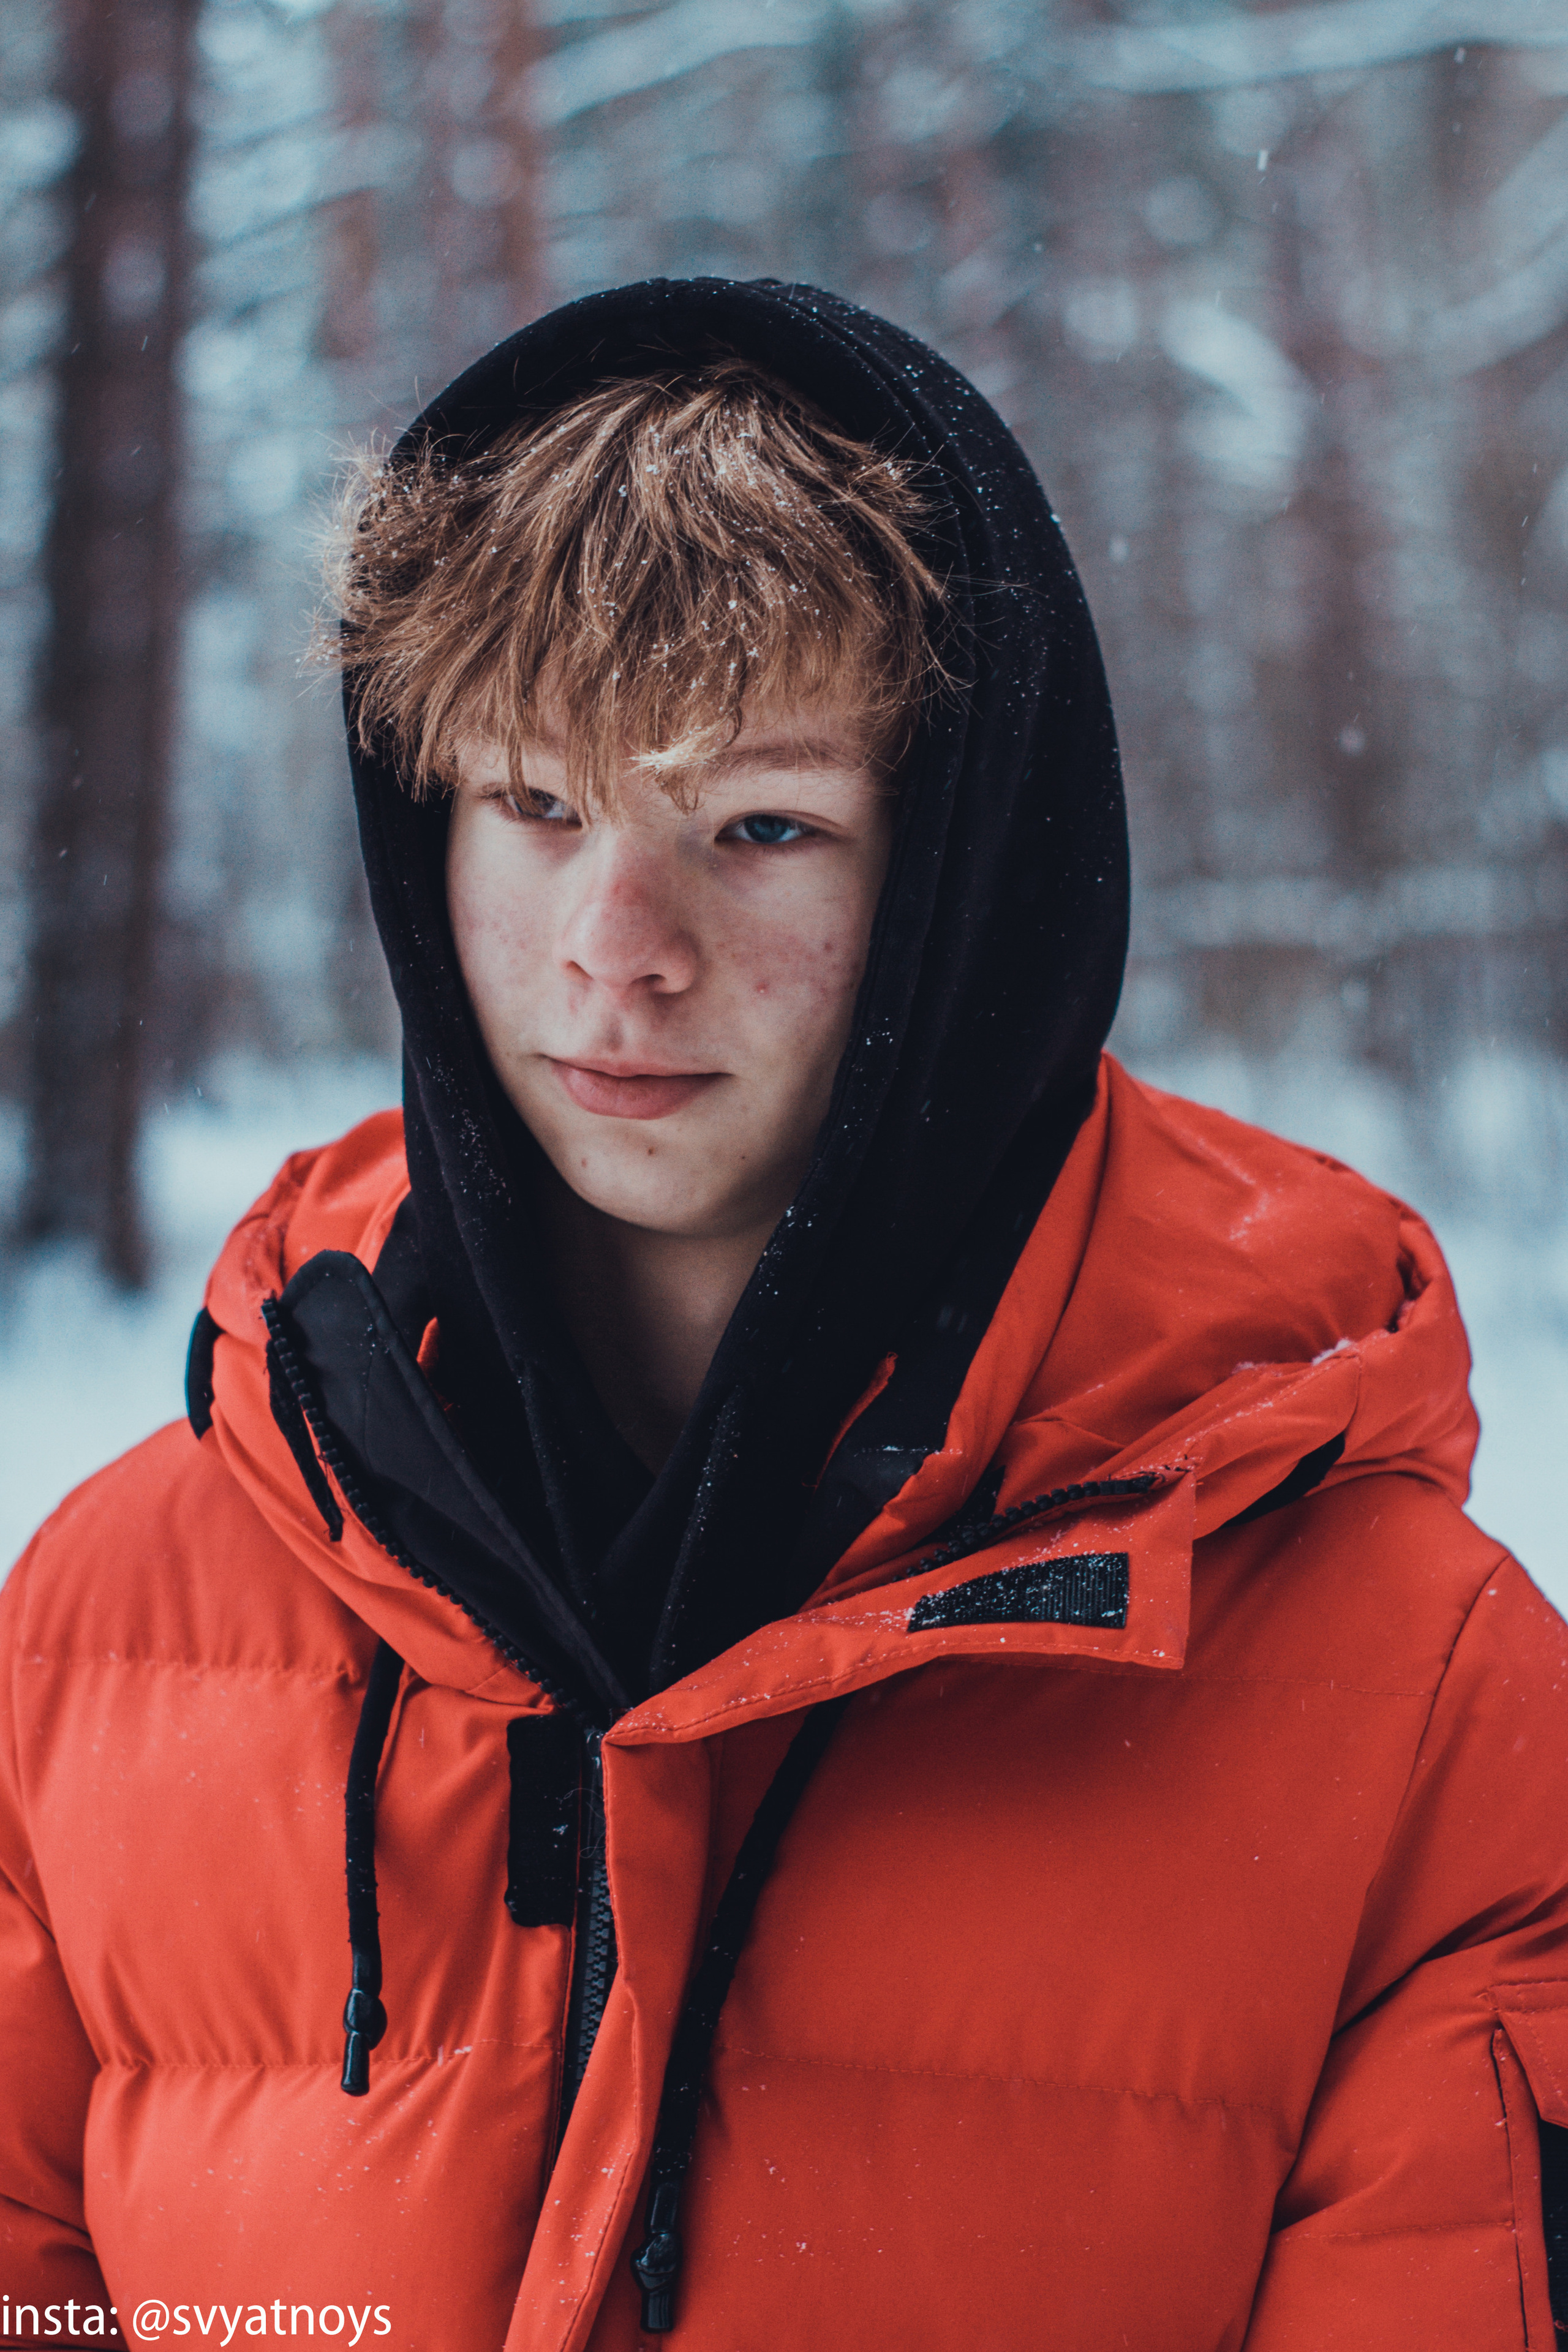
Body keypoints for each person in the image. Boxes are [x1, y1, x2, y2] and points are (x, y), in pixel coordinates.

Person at [2, 276, 1566, 2352]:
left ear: (957, 890)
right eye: (535, 807)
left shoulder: (1421, 1709)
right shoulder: (111, 1628)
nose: (614, 953)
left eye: (759, 827)